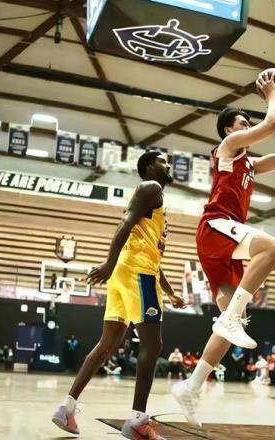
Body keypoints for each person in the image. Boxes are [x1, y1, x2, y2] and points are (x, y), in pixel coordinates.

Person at [172, 70, 275, 426]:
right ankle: (229, 317)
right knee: (274, 249)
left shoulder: (250, 164)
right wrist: (272, 96)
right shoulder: (227, 148)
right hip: (216, 226)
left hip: (227, 239)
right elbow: (271, 125)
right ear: (229, 130)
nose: (247, 126)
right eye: (243, 122)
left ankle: (191, 387)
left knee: (231, 324)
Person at [52, 151, 186, 440]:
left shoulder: (155, 202)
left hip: (129, 274)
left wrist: (171, 292)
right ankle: (138, 420)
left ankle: (67, 408)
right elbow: (125, 223)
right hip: (137, 273)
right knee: (152, 343)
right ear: (149, 167)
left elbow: (151, 254)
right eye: (163, 161)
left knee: (106, 345)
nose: (168, 165)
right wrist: (108, 263)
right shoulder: (151, 187)